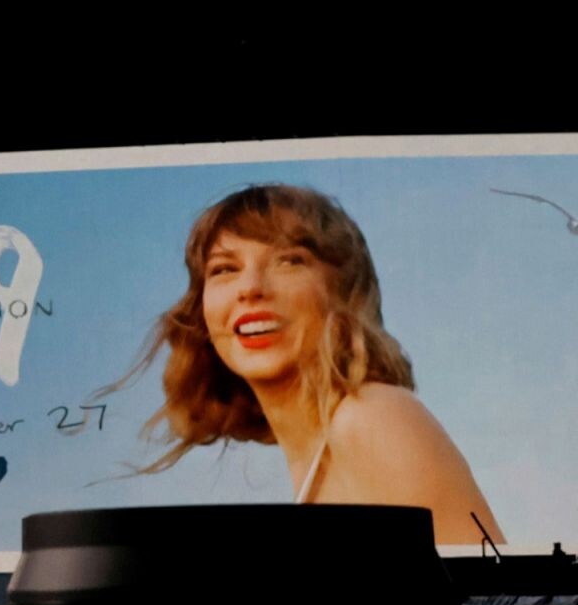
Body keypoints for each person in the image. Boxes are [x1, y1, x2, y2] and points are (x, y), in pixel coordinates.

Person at [120, 182, 503, 545]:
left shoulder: (370, 415)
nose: (250, 287)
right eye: (224, 269)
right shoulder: (321, 453)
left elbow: (484, 587)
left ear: (343, 290)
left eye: (289, 261)